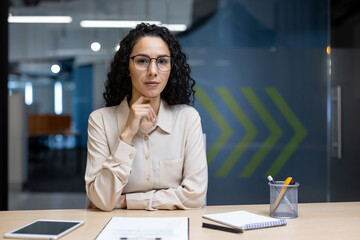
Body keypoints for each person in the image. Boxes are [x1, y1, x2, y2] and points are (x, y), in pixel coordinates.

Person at [85, 23, 208, 211]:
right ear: (127, 67)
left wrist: (127, 201)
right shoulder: (100, 121)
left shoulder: (187, 118)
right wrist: (126, 135)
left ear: (171, 67)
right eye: (142, 61)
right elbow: (101, 200)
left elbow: (196, 196)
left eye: (162, 61)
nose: (153, 71)